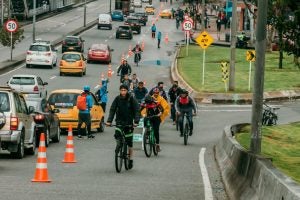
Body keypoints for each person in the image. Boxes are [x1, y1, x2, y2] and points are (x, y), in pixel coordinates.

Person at [106, 84, 140, 169]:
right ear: (120, 91)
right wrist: (109, 121)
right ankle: (119, 144)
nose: (123, 92)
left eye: (125, 90)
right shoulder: (117, 99)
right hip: (119, 122)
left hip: (129, 123)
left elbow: (137, 110)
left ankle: (131, 159)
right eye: (122, 90)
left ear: (127, 91)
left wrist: (136, 121)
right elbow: (112, 109)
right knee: (117, 134)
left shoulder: (131, 99)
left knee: (129, 143)